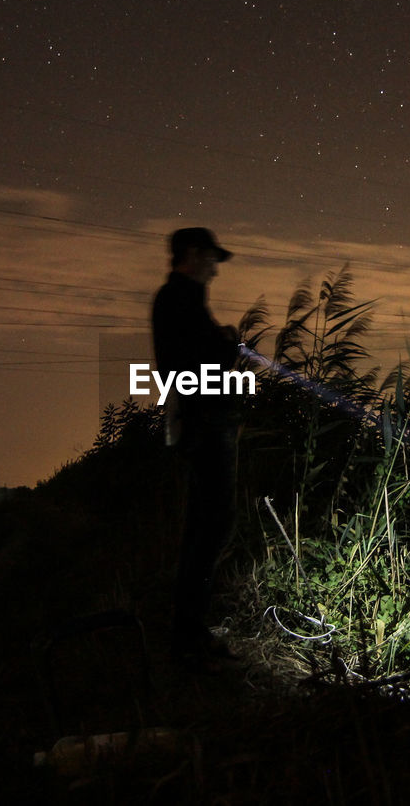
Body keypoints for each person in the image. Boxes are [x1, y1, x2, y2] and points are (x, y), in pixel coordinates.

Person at [151, 227, 241, 666]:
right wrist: (227, 345)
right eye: (211, 258)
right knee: (211, 526)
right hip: (205, 425)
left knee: (204, 528)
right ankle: (190, 637)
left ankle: (190, 630)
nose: (215, 268)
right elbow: (193, 364)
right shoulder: (180, 300)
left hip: (201, 424)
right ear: (191, 254)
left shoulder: (180, 299)